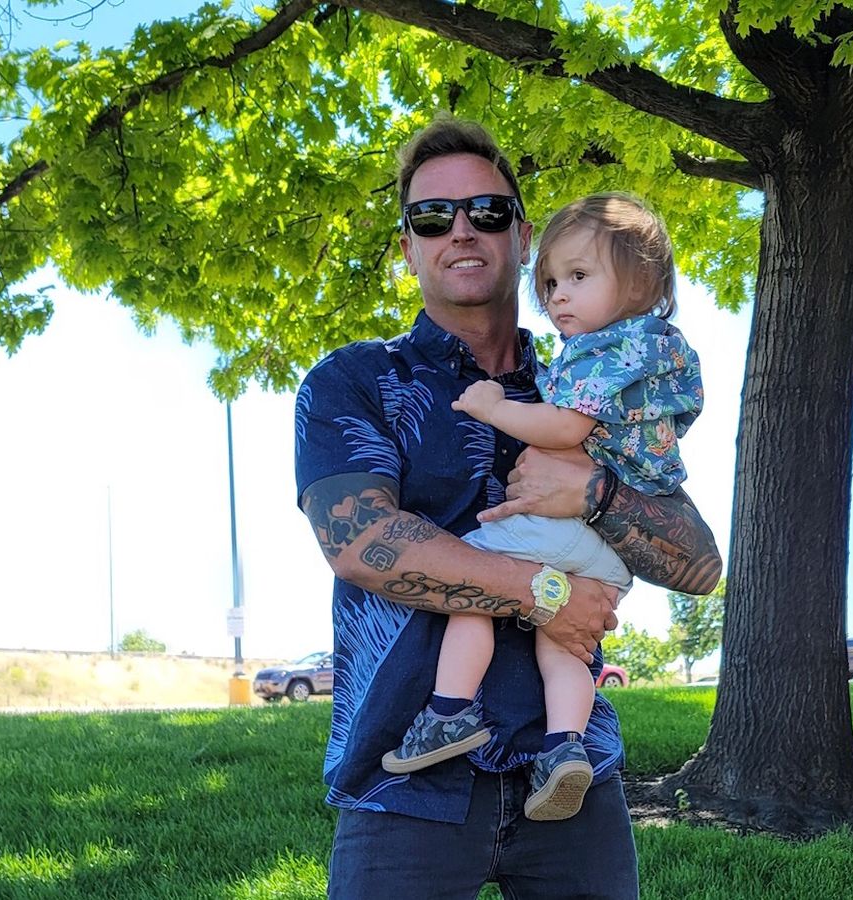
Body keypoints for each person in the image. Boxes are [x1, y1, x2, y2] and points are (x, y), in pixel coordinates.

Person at [294, 116, 721, 900]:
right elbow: (362, 541)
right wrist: (546, 593)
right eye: (433, 216)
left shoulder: (589, 381)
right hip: (403, 784)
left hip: (571, 779)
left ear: (523, 238)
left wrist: (594, 493)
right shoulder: (354, 382)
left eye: (487, 211)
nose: (462, 229)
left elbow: (699, 563)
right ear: (408, 247)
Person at [381, 193, 703, 827]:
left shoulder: (602, 353)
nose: (559, 296)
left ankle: (449, 713)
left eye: (579, 276)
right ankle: (565, 748)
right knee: (563, 651)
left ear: (640, 283)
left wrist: (494, 407)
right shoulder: (660, 355)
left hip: (564, 529)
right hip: (611, 556)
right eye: (552, 283)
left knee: (467, 581)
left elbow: (565, 427)